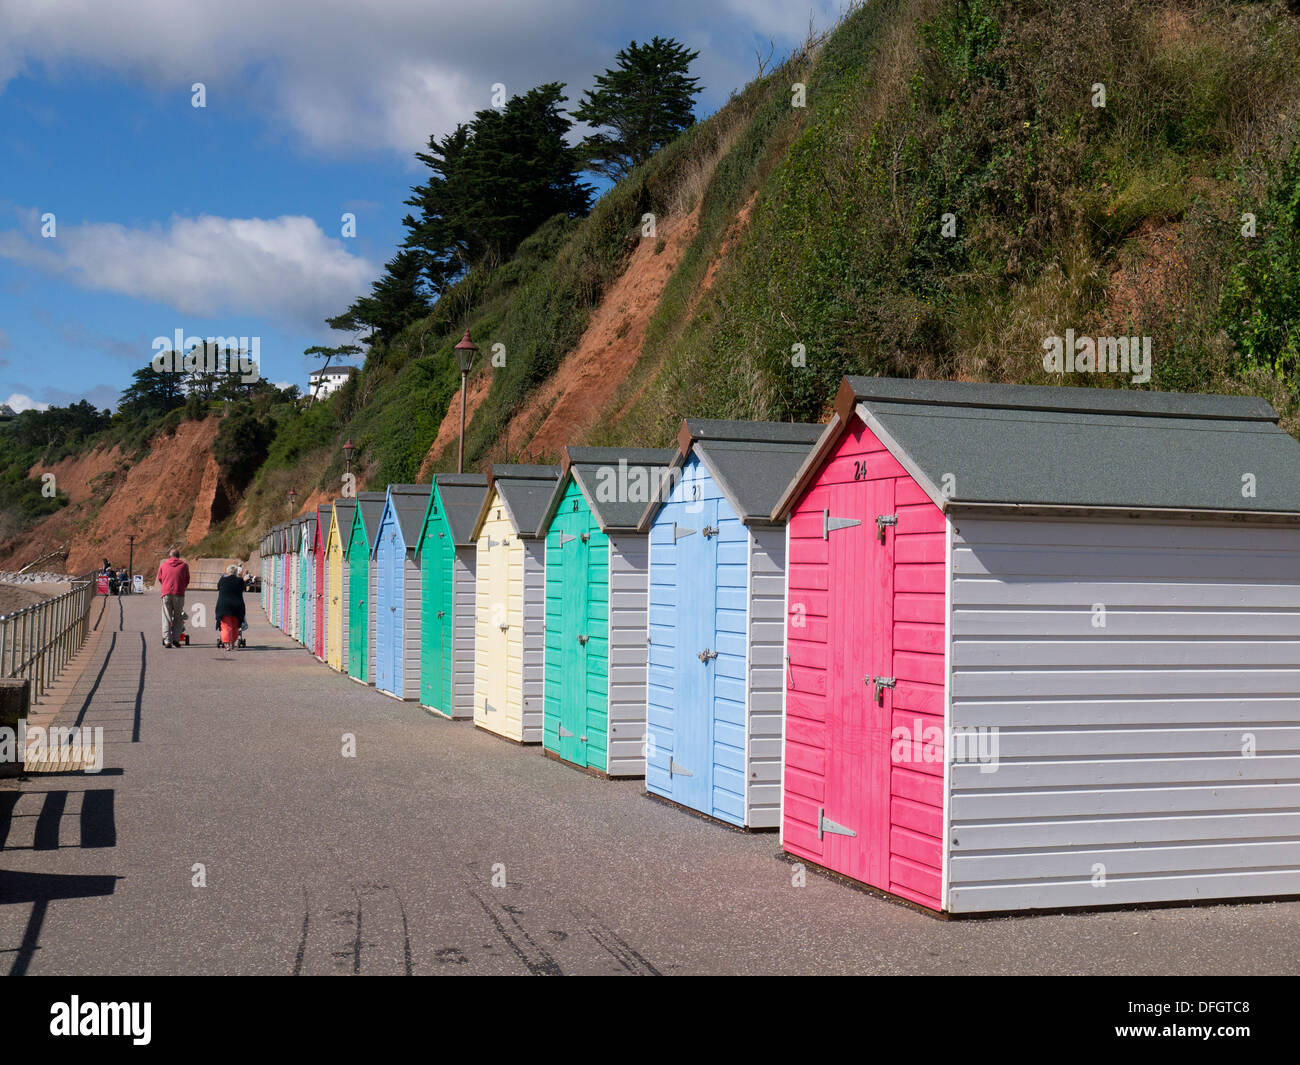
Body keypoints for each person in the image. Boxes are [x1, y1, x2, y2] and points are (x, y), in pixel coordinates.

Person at [157, 548, 191, 648]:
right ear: (179, 556)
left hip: (166, 593)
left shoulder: (164, 565)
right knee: (178, 618)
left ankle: (167, 640)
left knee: (166, 617)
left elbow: (160, 578)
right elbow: (187, 579)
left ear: (170, 556)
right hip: (179, 593)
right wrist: (182, 587)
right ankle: (176, 639)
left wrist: (166, 585)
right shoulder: (184, 566)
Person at [214, 564, 246, 650]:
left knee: (225, 626)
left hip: (223, 606)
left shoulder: (222, 580)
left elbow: (218, 588)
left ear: (227, 572)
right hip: (237, 606)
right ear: (236, 572)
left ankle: (227, 644)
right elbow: (244, 589)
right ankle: (232, 643)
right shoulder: (240, 581)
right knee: (235, 625)